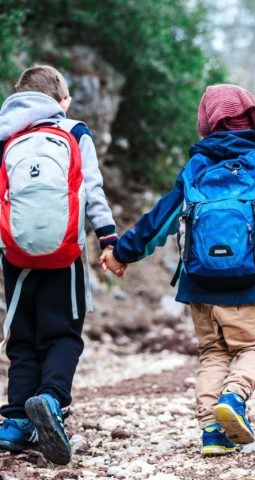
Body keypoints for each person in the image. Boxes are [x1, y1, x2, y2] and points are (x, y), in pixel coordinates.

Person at [101, 84, 255, 455]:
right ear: (250, 122)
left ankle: (212, 431)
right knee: (254, 347)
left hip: (199, 285)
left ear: (206, 123)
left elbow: (159, 220)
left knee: (213, 353)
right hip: (248, 285)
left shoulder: (195, 169)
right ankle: (234, 398)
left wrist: (123, 253)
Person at [0, 65, 118, 464]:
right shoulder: (74, 132)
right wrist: (108, 239)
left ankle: (16, 420)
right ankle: (50, 399)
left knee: (22, 338)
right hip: (64, 253)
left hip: (16, 255)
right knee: (63, 334)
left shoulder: (7, 135)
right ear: (63, 100)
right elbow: (92, 188)